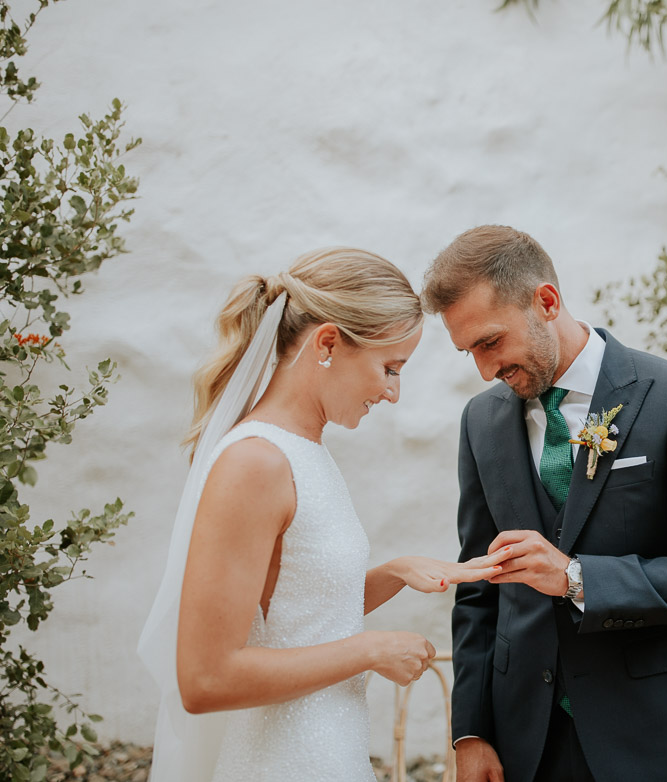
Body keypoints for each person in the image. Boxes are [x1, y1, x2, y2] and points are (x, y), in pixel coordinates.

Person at [138, 247, 509, 782]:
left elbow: (296, 614)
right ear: (328, 342)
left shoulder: (305, 451)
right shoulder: (256, 463)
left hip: (328, 752)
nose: (392, 393)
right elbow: (206, 679)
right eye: (389, 368)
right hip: (278, 762)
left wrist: (396, 573)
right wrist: (369, 650)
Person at [421, 226, 667, 782]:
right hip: (525, 745)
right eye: (469, 352)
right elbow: (479, 589)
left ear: (545, 302)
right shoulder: (481, 421)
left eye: (490, 342)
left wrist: (577, 578)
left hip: (651, 740)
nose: (484, 371)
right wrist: (471, 731)